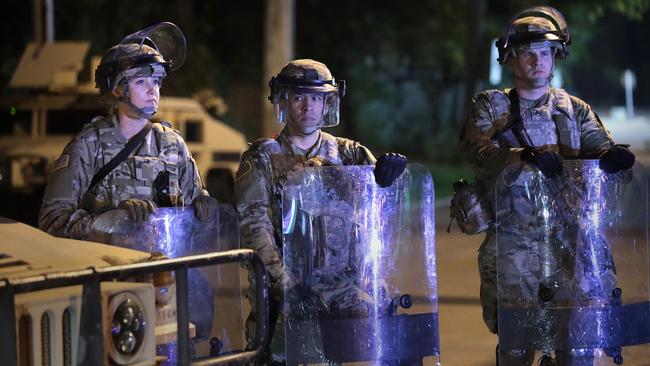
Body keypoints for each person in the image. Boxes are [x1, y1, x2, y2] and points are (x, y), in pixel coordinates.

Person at [459, 6, 635, 365]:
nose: (537, 61)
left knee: (578, 341)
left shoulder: (573, 108)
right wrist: (521, 155)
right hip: (514, 241)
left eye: (544, 52)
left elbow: (597, 146)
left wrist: (612, 157)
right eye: (527, 53)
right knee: (517, 344)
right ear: (511, 58)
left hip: (570, 238)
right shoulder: (492, 106)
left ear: (555, 57)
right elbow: (476, 150)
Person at [234, 59, 407, 364]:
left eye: (316, 98)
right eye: (299, 97)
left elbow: (380, 212)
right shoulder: (262, 158)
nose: (308, 106)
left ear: (328, 102)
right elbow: (253, 226)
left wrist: (391, 177)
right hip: (288, 296)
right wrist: (284, 284)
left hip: (343, 294)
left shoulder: (349, 153)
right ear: (283, 100)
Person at [38, 22, 217, 239]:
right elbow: (51, 222)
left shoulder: (172, 145)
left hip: (162, 269)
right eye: (141, 81)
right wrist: (110, 220)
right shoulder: (89, 145)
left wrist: (202, 207)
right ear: (117, 90)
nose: (153, 90)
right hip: (108, 268)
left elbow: (194, 212)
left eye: (157, 81)